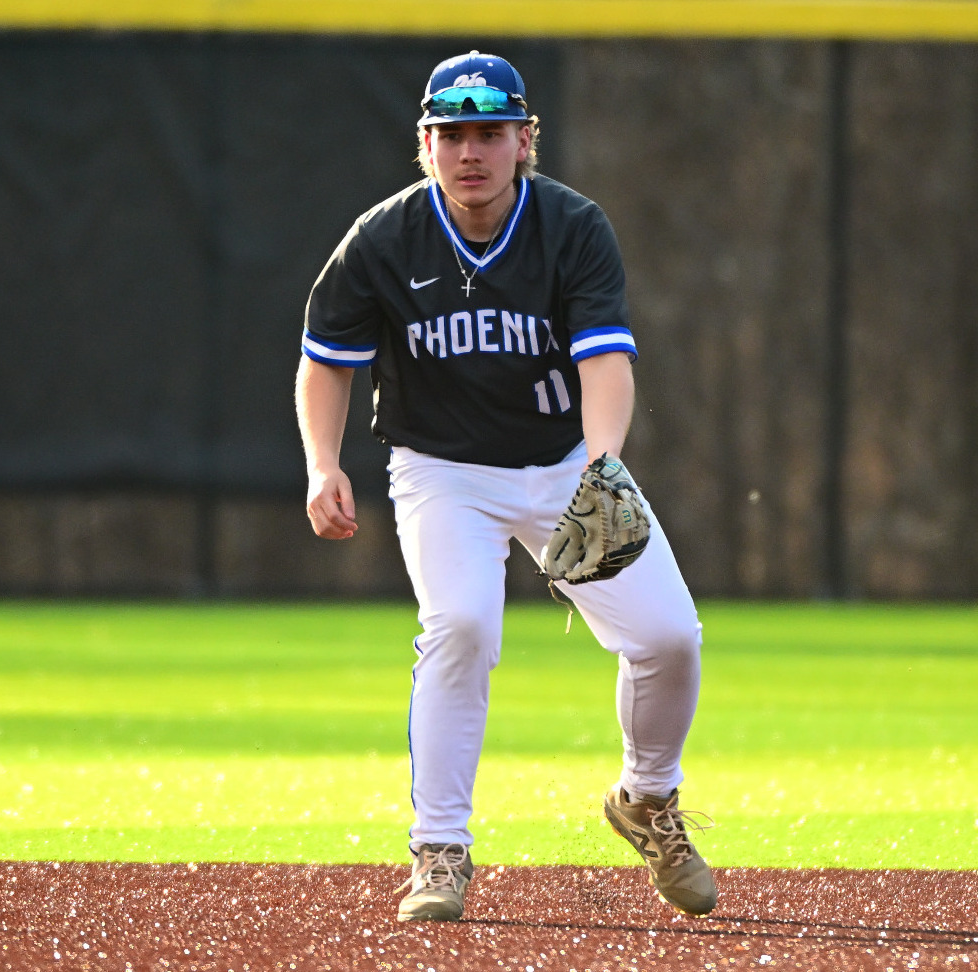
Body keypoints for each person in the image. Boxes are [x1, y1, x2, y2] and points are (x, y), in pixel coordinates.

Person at [295, 51, 715, 923]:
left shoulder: (571, 227)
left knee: (671, 637)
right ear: (424, 144)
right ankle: (440, 849)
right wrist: (323, 463)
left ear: (527, 139)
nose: (471, 151)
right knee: (461, 625)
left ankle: (647, 800)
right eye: (452, 133)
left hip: (564, 461)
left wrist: (603, 464)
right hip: (442, 469)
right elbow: (326, 360)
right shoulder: (384, 238)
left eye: (491, 132)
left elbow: (606, 357)